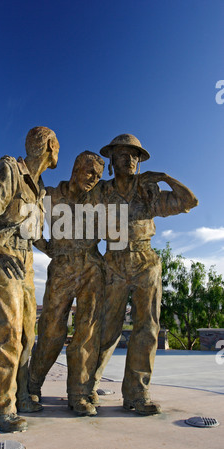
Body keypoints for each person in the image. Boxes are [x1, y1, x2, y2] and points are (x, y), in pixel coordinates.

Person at [92, 134, 198, 415]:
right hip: (112, 260)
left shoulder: (148, 192)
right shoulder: (101, 191)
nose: (129, 159)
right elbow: (76, 213)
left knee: (147, 329)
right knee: (105, 328)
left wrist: (163, 177)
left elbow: (190, 201)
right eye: (122, 154)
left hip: (145, 261)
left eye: (134, 155)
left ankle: (137, 395)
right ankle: (86, 388)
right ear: (111, 161)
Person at [0, 126, 59, 433]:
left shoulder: (40, 189)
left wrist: (56, 249)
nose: (57, 151)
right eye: (56, 145)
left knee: (26, 336)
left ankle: (21, 396)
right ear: (49, 146)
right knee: (5, 335)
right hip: (4, 260)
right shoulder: (10, 168)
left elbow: (33, 236)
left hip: (27, 264)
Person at [28, 151, 105, 416]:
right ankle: (32, 386)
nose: (94, 179)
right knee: (50, 331)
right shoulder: (49, 196)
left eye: (98, 176)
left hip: (92, 268)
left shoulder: (99, 200)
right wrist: (45, 246)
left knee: (87, 333)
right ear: (75, 169)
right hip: (62, 269)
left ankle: (78, 394)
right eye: (90, 172)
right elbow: (28, 222)